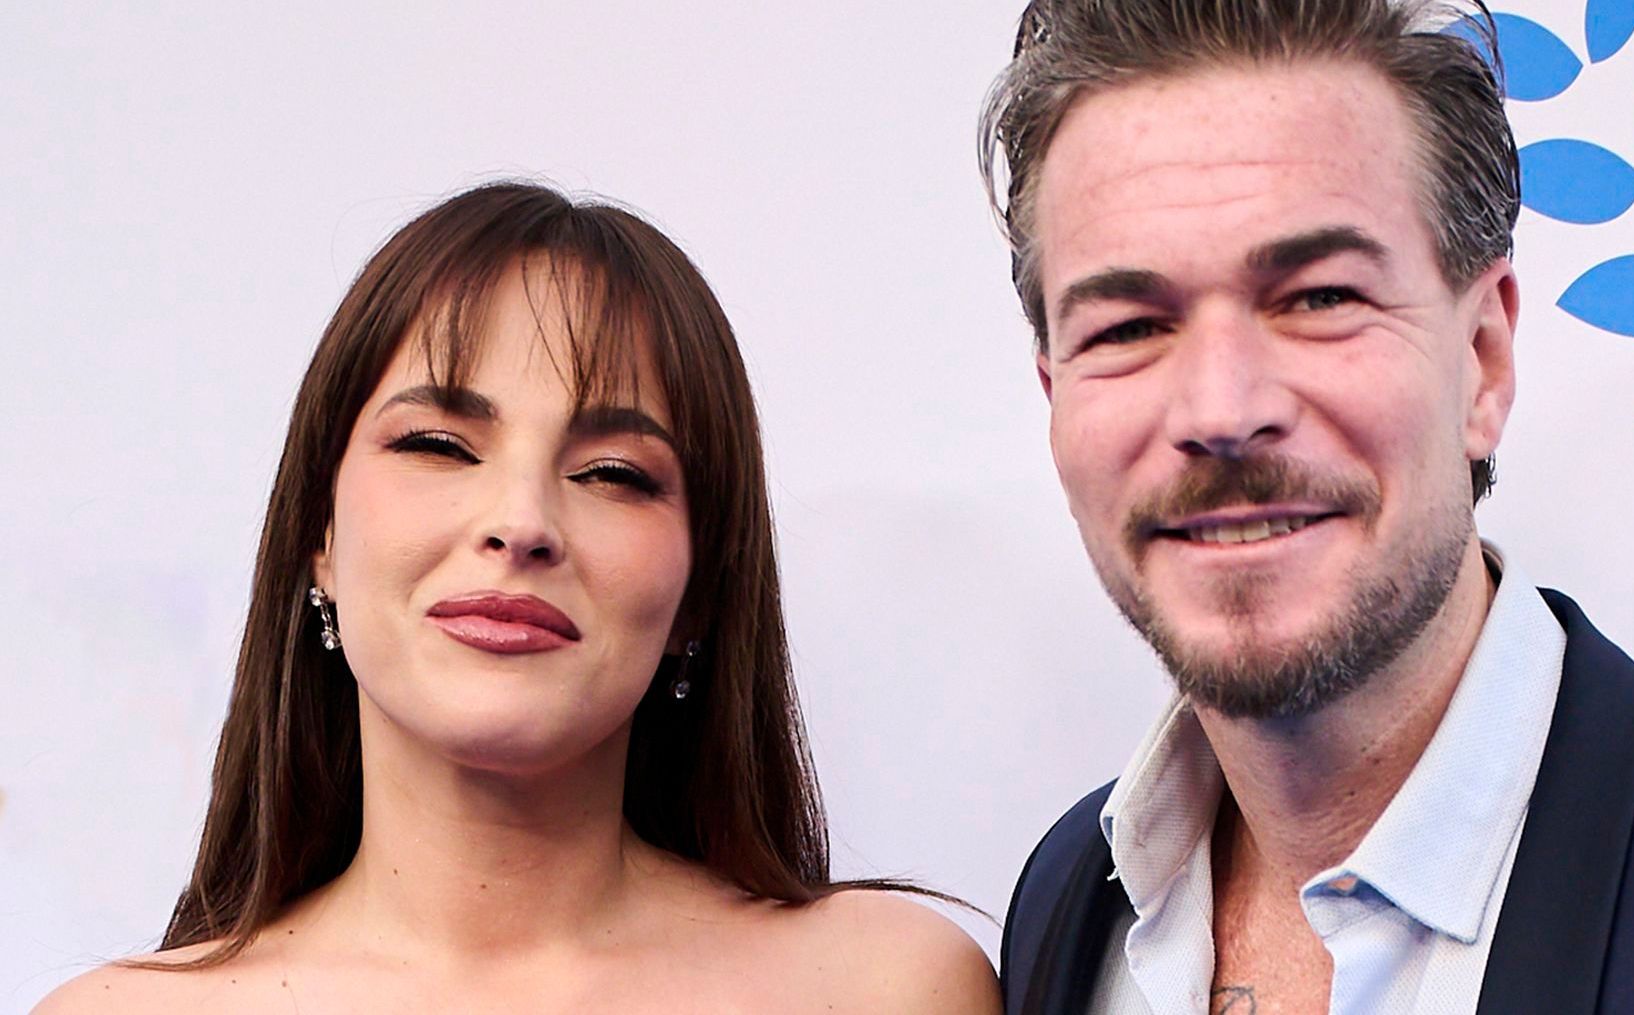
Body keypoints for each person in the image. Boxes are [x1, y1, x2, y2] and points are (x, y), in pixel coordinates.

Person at [978, 0, 1634, 1012]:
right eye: (1128, 328)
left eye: (1319, 298)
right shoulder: (1067, 903)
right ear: (1054, 396)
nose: (1222, 411)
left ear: (1482, 359)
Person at [36, 183, 1000, 1014]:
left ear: (701, 592)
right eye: (438, 446)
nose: (521, 522)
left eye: (614, 473)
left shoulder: (886, 987)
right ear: (318, 538)